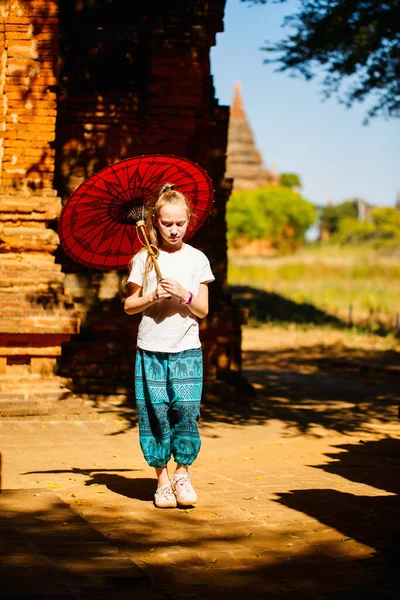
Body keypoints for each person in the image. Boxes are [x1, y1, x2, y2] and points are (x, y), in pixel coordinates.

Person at [124, 183, 214, 508]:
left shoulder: (198, 260)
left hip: (187, 349)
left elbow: (202, 310)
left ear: (189, 221)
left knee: (186, 412)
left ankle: (183, 473)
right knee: (155, 414)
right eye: (166, 223)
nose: (174, 230)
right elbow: (129, 306)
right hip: (151, 348)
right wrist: (151, 296)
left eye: (180, 223)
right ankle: (162, 480)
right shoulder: (143, 260)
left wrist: (182, 293)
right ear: (154, 223)